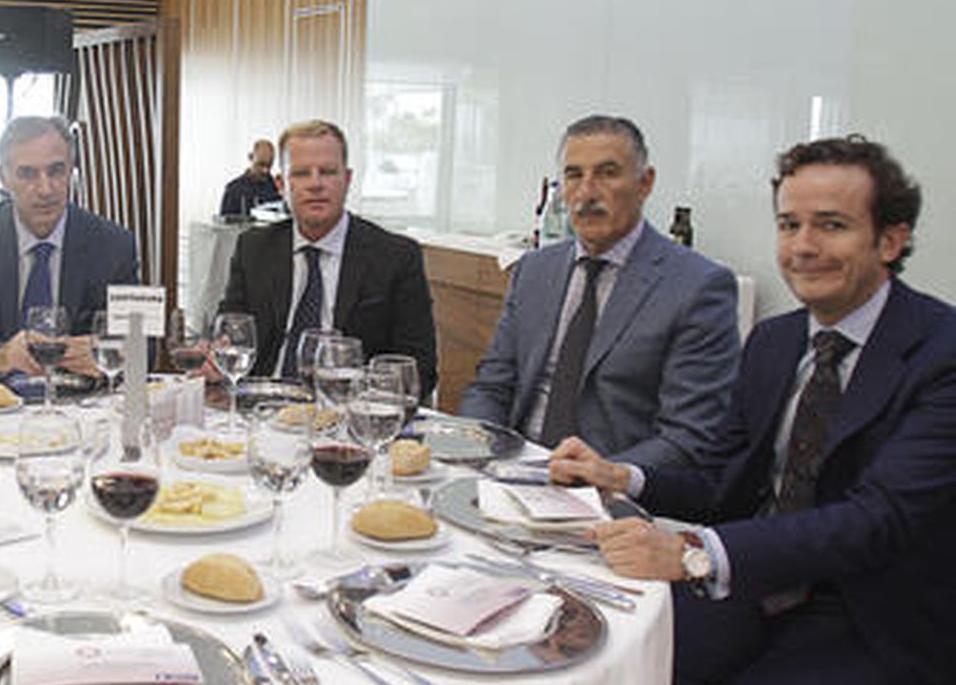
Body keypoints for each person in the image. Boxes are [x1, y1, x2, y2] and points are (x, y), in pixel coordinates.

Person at [552, 136, 956, 685]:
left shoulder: (941, 354)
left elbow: (877, 520)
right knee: (609, 667)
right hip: (767, 582)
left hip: (882, 615)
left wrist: (692, 551)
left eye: (832, 225)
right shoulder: (775, 342)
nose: (802, 246)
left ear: (890, 240)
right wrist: (623, 477)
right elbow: (722, 479)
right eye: (790, 224)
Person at [458, 115, 740, 469]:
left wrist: (608, 475)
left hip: (612, 490)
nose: (587, 193)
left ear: (645, 183)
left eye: (607, 173)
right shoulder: (534, 270)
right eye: (574, 175)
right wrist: (478, 454)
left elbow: (688, 436)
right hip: (511, 473)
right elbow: (491, 387)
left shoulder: (697, 287)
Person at [217, 119, 438, 394]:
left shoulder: (396, 257)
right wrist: (215, 354)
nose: (316, 184)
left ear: (347, 180)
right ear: (281, 185)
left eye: (328, 172)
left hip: (353, 416)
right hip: (261, 410)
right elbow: (231, 337)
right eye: (300, 173)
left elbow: (421, 369)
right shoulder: (253, 248)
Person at [0, 114, 139, 380]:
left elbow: (141, 345)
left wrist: (108, 354)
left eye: (56, 171)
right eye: (27, 174)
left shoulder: (113, 244)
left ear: (71, 171)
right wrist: (0, 356)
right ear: (4, 178)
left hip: (81, 410)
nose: (46, 189)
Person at [218, 138, 281, 218]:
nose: (265, 171)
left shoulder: (277, 188)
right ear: (251, 157)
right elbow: (224, 227)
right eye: (261, 164)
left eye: (269, 166)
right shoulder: (233, 190)